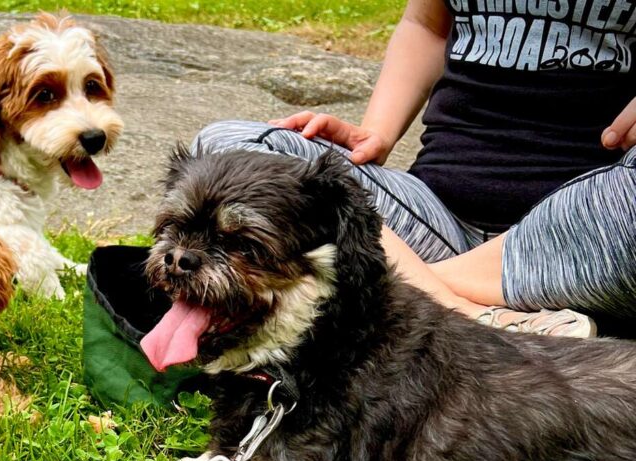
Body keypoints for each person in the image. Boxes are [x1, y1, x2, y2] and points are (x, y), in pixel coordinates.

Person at [193, 0, 636, 337]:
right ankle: (465, 311)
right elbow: (426, 26)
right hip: (436, 223)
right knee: (228, 148)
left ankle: (371, 284)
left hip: (585, 248)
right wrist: (376, 134)